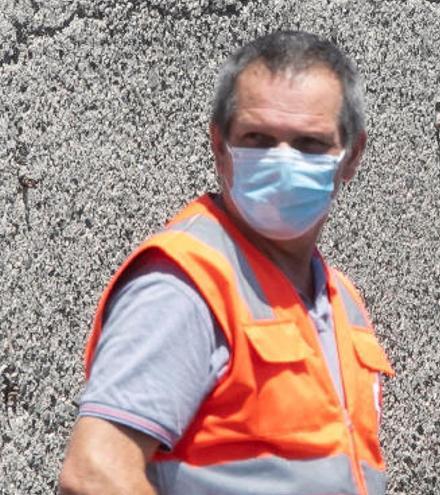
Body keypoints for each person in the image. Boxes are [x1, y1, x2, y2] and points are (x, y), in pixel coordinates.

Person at [59, 31, 394, 495]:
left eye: (310, 144)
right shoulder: (186, 284)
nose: (282, 163)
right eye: (257, 138)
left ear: (351, 156)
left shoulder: (341, 301)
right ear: (219, 145)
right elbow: (94, 475)